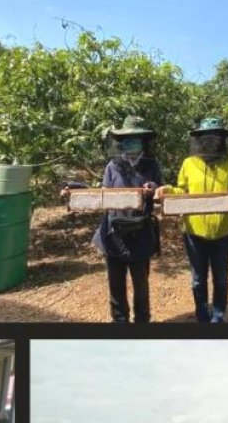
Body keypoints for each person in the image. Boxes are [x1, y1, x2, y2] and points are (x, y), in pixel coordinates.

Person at [62, 115, 162, 323]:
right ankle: (119, 323)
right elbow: (103, 193)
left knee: (140, 285)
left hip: (140, 233)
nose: (131, 142)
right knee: (115, 286)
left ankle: (142, 322)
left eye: (136, 138)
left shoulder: (152, 165)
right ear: (121, 141)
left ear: (143, 141)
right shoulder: (112, 166)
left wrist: (152, 189)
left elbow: (161, 191)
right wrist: (75, 190)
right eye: (127, 138)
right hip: (112, 234)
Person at [158, 117, 228, 323]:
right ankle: (202, 315)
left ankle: (218, 316)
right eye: (207, 137)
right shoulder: (189, 163)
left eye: (215, 137)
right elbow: (183, 190)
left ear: (222, 140)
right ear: (199, 139)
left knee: (221, 279)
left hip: (223, 230)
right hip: (194, 232)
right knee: (198, 280)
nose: (211, 141)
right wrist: (169, 190)